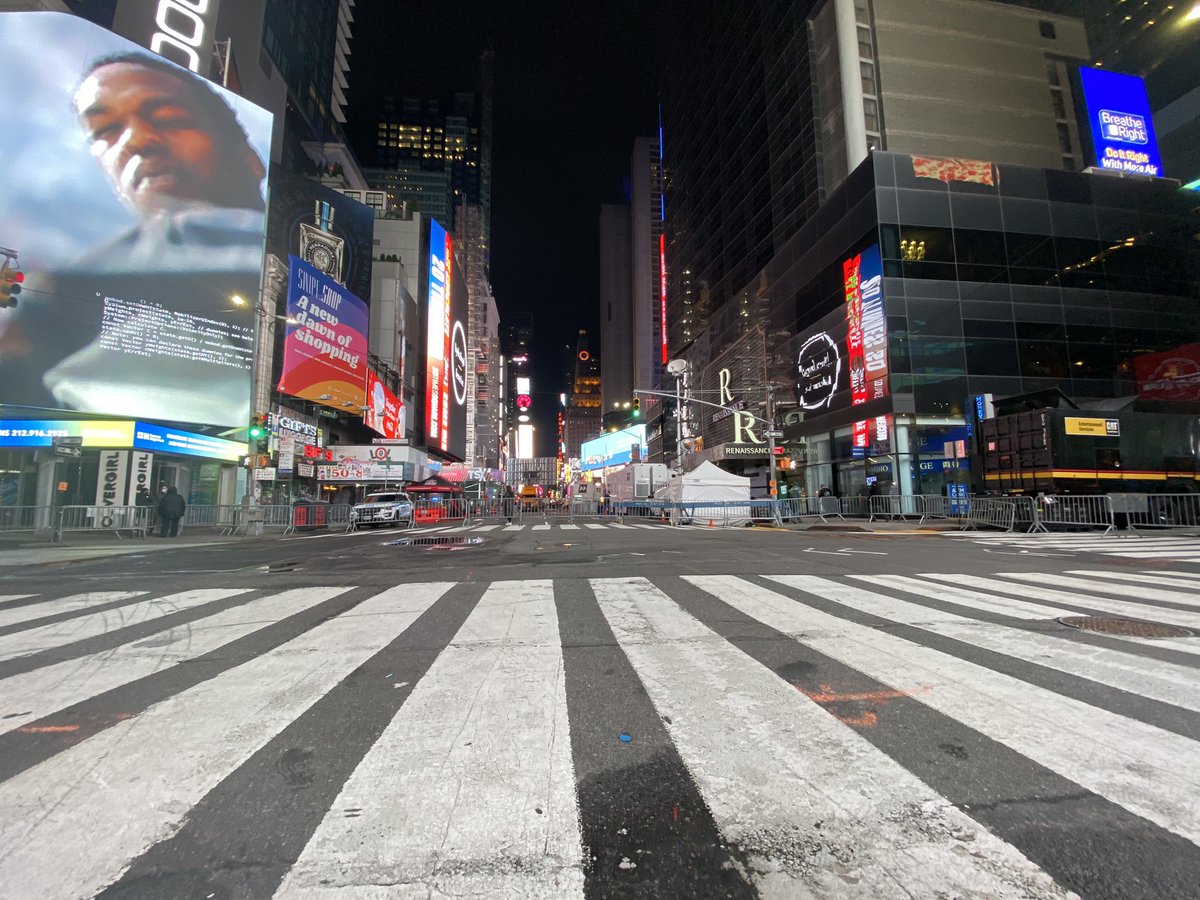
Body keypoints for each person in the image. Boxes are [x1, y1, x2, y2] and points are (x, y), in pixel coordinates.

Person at [0, 51, 267, 424]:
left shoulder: (278, 265)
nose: (136, 140)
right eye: (106, 131)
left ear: (250, 160)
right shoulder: (61, 294)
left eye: (170, 119)